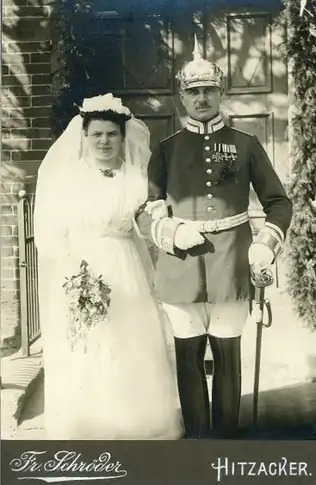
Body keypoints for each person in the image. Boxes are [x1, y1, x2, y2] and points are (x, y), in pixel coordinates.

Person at [136, 36, 293, 439]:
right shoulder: (166, 150)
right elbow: (147, 206)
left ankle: (223, 446)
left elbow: (279, 202)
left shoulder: (246, 145)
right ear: (181, 99)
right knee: (188, 358)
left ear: (221, 93)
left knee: (227, 357)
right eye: (193, 92)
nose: (201, 98)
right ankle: (198, 447)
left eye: (208, 90)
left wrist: (265, 244)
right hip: (181, 267)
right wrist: (169, 229)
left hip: (232, 264)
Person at [34, 93, 184, 440]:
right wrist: (73, 274)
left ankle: (137, 424)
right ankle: (86, 425)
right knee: (86, 345)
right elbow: (50, 229)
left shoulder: (135, 177)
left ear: (123, 137)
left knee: (130, 340)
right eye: (96, 134)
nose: (104, 141)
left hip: (125, 265)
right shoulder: (66, 178)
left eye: (112, 134)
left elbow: (148, 220)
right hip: (77, 268)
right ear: (84, 137)